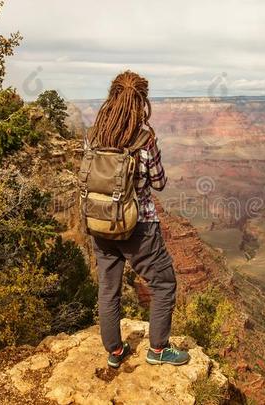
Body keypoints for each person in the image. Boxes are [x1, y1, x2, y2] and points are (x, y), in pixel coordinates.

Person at [84, 70, 190, 368]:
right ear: (141, 101)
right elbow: (158, 181)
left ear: (112, 96)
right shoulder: (144, 139)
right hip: (138, 226)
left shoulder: (92, 137)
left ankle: (115, 352)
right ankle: (158, 350)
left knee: (108, 288)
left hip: (99, 223)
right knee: (164, 283)